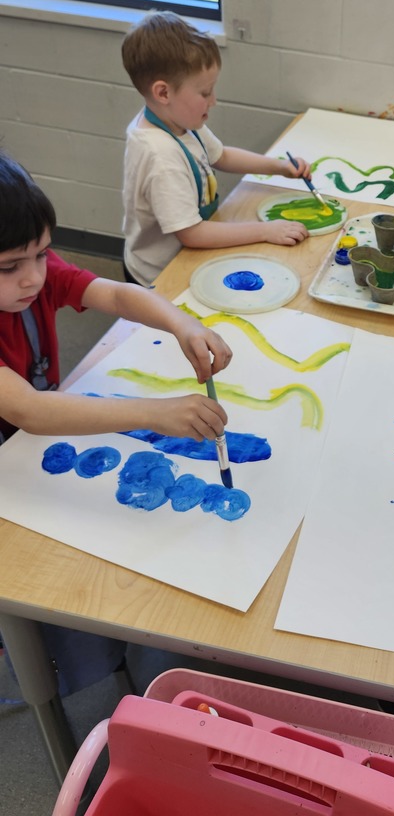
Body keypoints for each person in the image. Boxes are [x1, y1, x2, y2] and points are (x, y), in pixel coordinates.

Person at [0, 152, 233, 694]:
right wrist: (157, 412)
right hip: (11, 473)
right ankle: (43, 668)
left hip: (27, 458)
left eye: (42, 253)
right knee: (32, 589)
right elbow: (28, 410)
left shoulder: (34, 278)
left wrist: (182, 323)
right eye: (10, 266)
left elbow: (116, 293)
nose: (35, 277)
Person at [121, 11, 312, 287]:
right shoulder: (160, 156)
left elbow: (221, 155)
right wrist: (266, 230)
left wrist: (279, 167)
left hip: (188, 254)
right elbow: (192, 234)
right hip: (159, 276)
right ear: (163, 93)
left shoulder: (179, 119)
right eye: (205, 93)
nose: (214, 101)